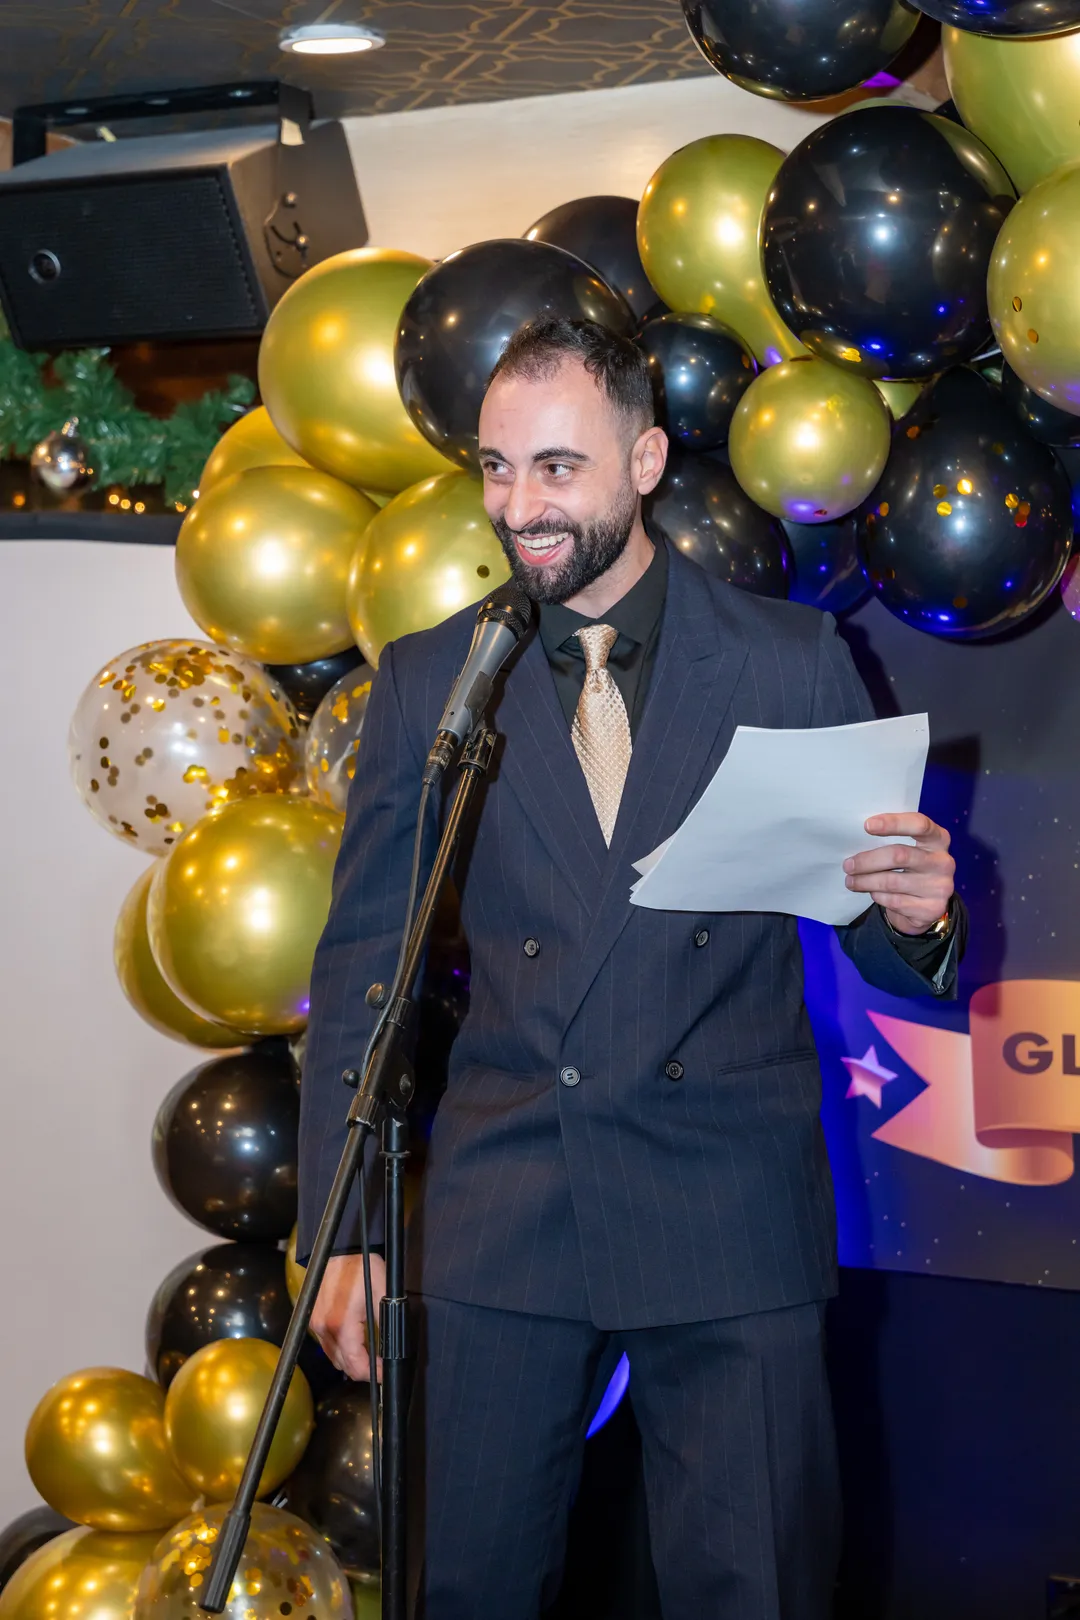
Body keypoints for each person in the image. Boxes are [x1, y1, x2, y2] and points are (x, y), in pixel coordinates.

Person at [298, 318, 966, 1620]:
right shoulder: (442, 677)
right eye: (496, 470)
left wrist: (921, 914)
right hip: (503, 1220)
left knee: (756, 1591)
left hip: (728, 1209)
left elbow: (879, 931)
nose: (520, 507)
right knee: (465, 1592)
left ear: (647, 459)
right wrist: (342, 1233)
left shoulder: (790, 660)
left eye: (557, 469)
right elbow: (366, 965)